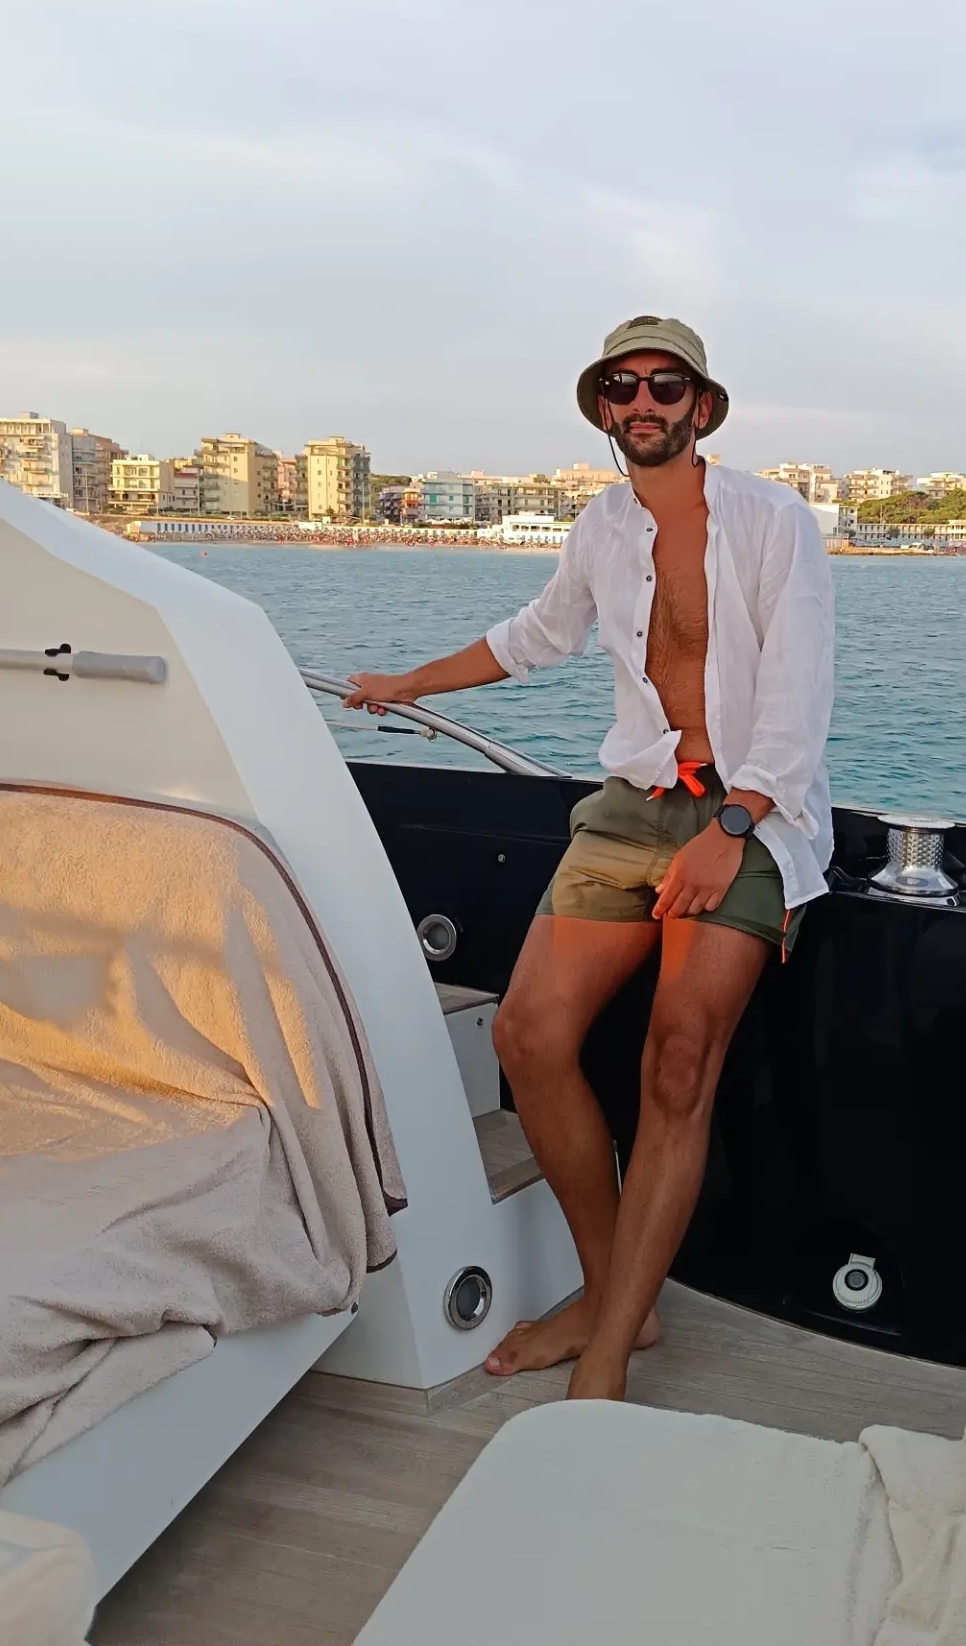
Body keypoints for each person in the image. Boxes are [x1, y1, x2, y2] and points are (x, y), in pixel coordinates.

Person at [345, 316, 835, 1400]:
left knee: (677, 1063)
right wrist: (406, 685)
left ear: (701, 407)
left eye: (666, 384)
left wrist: (735, 828)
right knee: (526, 1036)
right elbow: (535, 636)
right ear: (605, 407)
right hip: (633, 806)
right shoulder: (601, 527)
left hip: (751, 814)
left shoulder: (773, 521)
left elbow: (799, 695)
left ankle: (607, 1346)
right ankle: (620, 1296)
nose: (644, 402)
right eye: (624, 385)